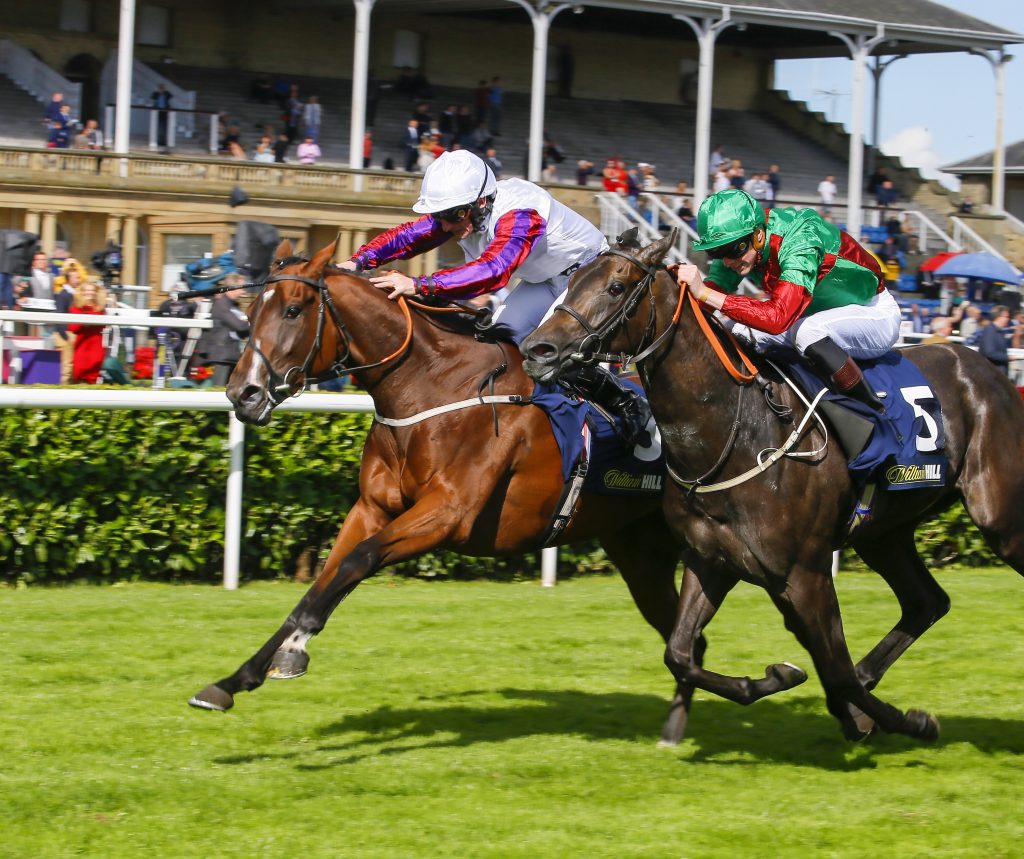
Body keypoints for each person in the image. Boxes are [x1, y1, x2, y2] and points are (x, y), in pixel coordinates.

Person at [336, 149, 651, 443]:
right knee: (499, 341)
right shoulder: (462, 211)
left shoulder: (520, 212)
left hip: (589, 278)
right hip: (544, 279)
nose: (444, 224)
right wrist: (356, 262)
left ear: (482, 203)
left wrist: (418, 284)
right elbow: (407, 236)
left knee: (545, 346)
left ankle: (625, 402)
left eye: (453, 215)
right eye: (440, 214)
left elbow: (494, 271)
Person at [671, 188, 902, 411]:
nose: (727, 261)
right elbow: (706, 300)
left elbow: (777, 318)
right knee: (731, 330)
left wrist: (705, 293)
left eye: (733, 250)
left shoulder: (799, 239)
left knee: (808, 332)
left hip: (872, 312)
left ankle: (873, 411)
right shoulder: (742, 240)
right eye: (715, 253)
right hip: (808, 316)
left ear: (758, 235)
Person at [196, 275, 250, 385]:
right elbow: (240, 326)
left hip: (231, 355)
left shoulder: (233, 305)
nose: (243, 291)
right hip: (222, 356)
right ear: (233, 288)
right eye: (241, 288)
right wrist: (252, 325)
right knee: (219, 390)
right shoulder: (222, 305)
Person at [68, 280, 108, 384]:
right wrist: (87, 319)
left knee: (94, 370)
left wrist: (86, 319)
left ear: (96, 292)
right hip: (82, 344)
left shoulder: (100, 308)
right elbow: (73, 328)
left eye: (92, 290)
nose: (89, 293)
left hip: (96, 344)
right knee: (79, 370)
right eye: (86, 290)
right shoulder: (76, 307)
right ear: (82, 292)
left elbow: (102, 325)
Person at [978, 304, 1011, 375]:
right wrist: (1007, 357)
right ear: (998, 317)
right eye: (1006, 317)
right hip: (991, 374)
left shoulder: (999, 331)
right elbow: (989, 352)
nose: (1008, 319)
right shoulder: (990, 330)